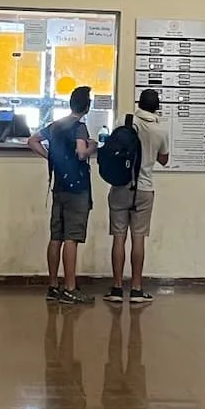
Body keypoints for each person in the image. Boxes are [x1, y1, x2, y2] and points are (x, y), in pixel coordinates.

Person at [29, 85, 95, 305]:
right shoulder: (79, 127)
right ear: (87, 106)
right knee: (71, 238)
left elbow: (32, 141)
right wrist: (92, 147)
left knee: (56, 237)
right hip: (77, 189)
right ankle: (70, 288)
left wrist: (50, 158)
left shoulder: (56, 125)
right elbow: (80, 153)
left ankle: (53, 286)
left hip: (58, 187)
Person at [108, 88, 172, 304]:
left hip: (120, 187)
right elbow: (164, 159)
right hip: (144, 189)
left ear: (139, 103)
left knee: (118, 237)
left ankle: (116, 288)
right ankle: (136, 289)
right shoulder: (160, 130)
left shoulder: (124, 121)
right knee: (138, 238)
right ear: (157, 106)